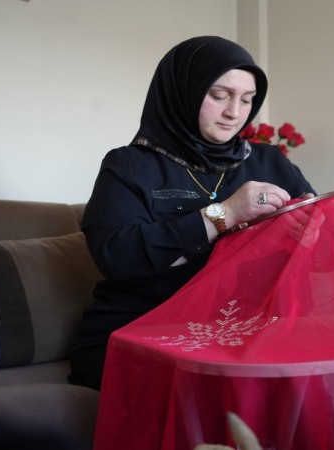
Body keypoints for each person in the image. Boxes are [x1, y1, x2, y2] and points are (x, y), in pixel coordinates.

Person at [68, 36, 315, 391]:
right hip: (142, 329)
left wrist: (313, 233)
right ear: (183, 92)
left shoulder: (269, 161)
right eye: (219, 95)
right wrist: (224, 214)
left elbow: (327, 257)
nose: (234, 112)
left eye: (247, 99)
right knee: (227, 386)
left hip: (241, 332)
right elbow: (118, 258)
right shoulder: (130, 165)